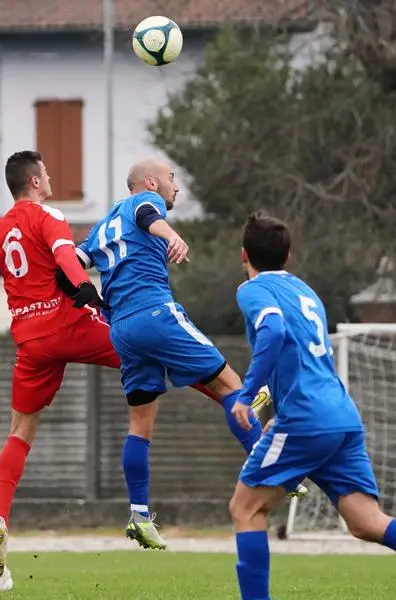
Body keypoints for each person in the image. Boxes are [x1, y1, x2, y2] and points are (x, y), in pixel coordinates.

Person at [0, 151, 262, 590]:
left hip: (29, 339)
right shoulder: (49, 217)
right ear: (35, 182)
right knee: (152, 353)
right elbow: (67, 257)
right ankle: (236, 401)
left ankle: (0, 520)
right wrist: (84, 292)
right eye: (47, 173)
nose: (51, 177)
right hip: (71, 323)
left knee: (20, 432)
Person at [227, 211, 396, 600]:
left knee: (245, 509)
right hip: (340, 415)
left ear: (243, 255)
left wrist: (248, 394)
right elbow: (303, 361)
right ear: (289, 257)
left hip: (306, 419)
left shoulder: (252, 290)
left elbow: (274, 330)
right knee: (366, 521)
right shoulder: (306, 292)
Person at [73, 158, 301, 552]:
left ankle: (139, 516)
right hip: (154, 312)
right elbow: (147, 212)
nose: (175, 186)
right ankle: (277, 468)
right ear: (150, 182)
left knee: (140, 423)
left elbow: (71, 266)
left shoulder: (100, 228)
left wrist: (88, 296)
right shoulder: (143, 203)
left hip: (122, 330)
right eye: (171, 178)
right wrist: (171, 234)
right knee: (234, 389)